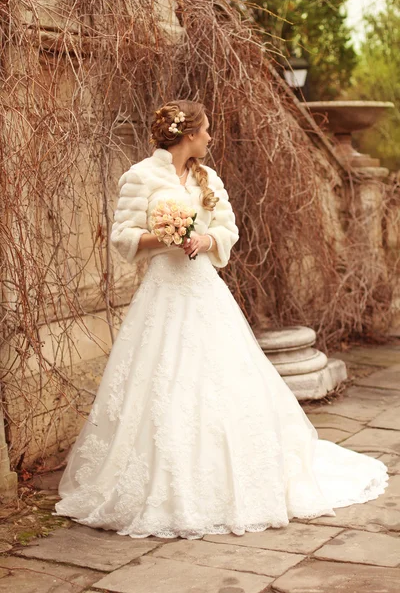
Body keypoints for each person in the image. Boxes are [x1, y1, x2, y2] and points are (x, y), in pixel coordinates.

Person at [53, 99, 389, 540]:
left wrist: (207, 237)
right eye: (205, 130)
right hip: (163, 291)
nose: (210, 137)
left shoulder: (207, 178)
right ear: (187, 134)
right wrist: (167, 237)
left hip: (204, 289)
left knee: (223, 376)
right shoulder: (140, 177)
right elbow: (123, 236)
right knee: (160, 380)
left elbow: (228, 229)